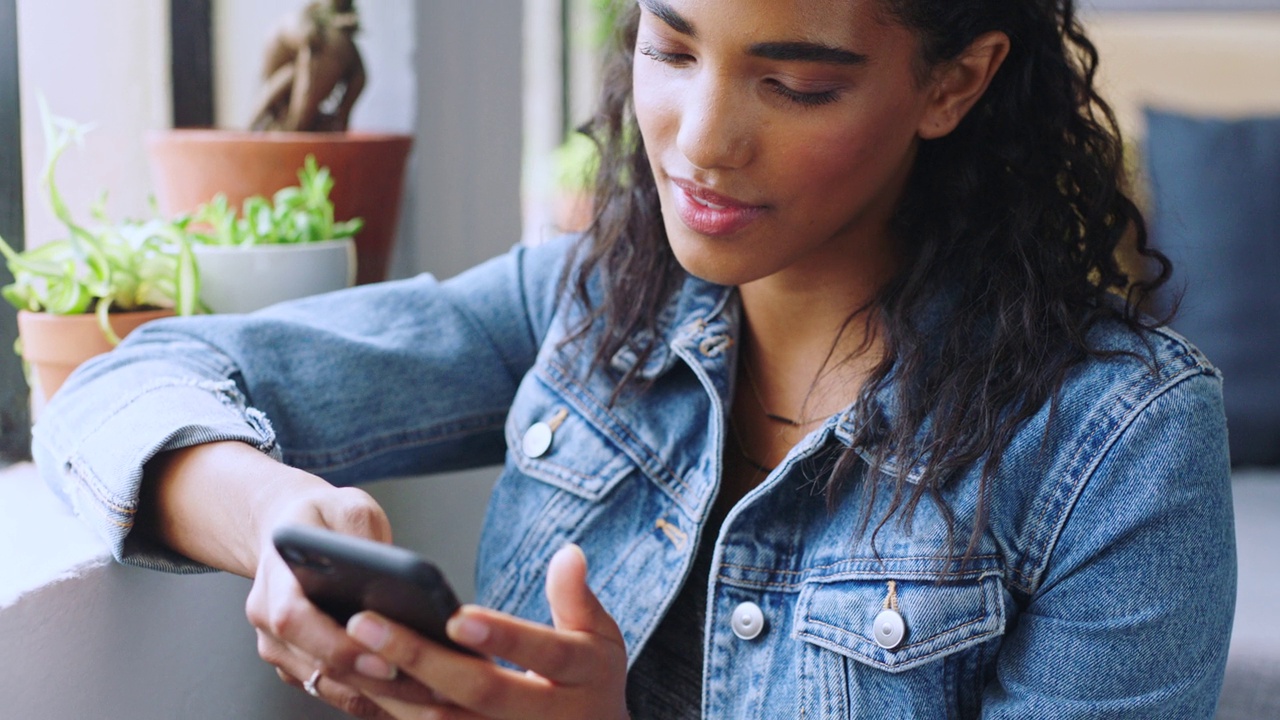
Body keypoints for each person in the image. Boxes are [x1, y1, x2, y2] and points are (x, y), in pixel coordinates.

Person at [34, 0, 1235, 717]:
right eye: (668, 48)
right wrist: (282, 519)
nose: (701, 142)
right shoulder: (587, 302)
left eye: (796, 82)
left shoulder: (1115, 439)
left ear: (954, 81)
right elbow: (120, 385)